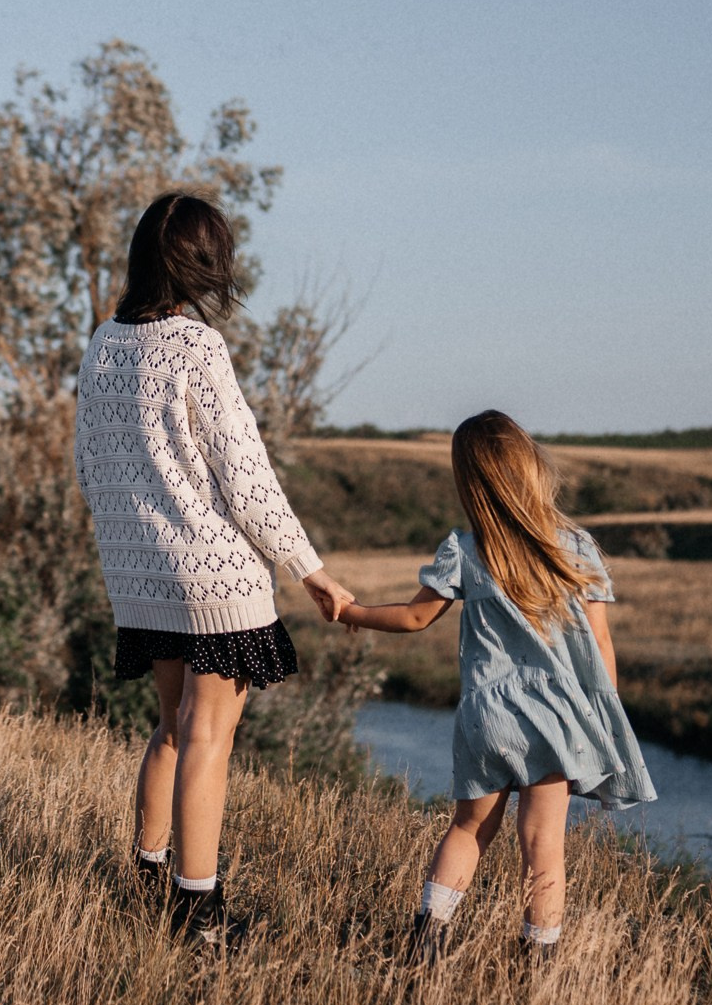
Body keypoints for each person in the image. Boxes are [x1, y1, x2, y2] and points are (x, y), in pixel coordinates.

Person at [74, 191, 355, 947]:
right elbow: (247, 477)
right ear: (203, 262)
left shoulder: (101, 343)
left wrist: (128, 544)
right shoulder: (197, 346)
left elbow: (88, 465)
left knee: (170, 728)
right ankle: (199, 913)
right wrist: (310, 568)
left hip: (139, 576)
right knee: (208, 737)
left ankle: (147, 875)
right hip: (214, 577)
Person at [335, 409, 655, 960]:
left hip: (488, 716)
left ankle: (427, 942)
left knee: (468, 829)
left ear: (470, 482)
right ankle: (539, 958)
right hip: (555, 718)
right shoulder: (576, 546)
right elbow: (601, 646)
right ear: (531, 468)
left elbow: (414, 619)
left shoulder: (465, 548)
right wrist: (603, 714)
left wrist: (351, 612)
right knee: (542, 844)